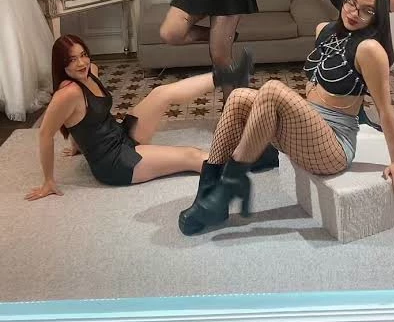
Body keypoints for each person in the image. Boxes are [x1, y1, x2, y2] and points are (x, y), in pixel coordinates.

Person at [178, 0, 394, 236]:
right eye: (351, 3)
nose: (354, 13)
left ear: (377, 16)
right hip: (306, 131)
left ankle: (228, 188)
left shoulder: (370, 49)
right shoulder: (324, 29)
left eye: (366, 10)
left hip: (333, 146)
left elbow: (385, 109)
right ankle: (207, 193)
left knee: (272, 89)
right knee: (238, 97)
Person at [24, 35, 257, 201]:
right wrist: (48, 180)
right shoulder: (67, 94)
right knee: (191, 155)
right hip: (114, 162)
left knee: (161, 93)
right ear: (61, 65)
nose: (82, 63)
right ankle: (247, 160)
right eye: (72, 59)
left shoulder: (91, 71)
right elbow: (45, 135)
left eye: (83, 54)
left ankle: (231, 74)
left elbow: (80, 118)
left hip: (121, 134)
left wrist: (78, 145)